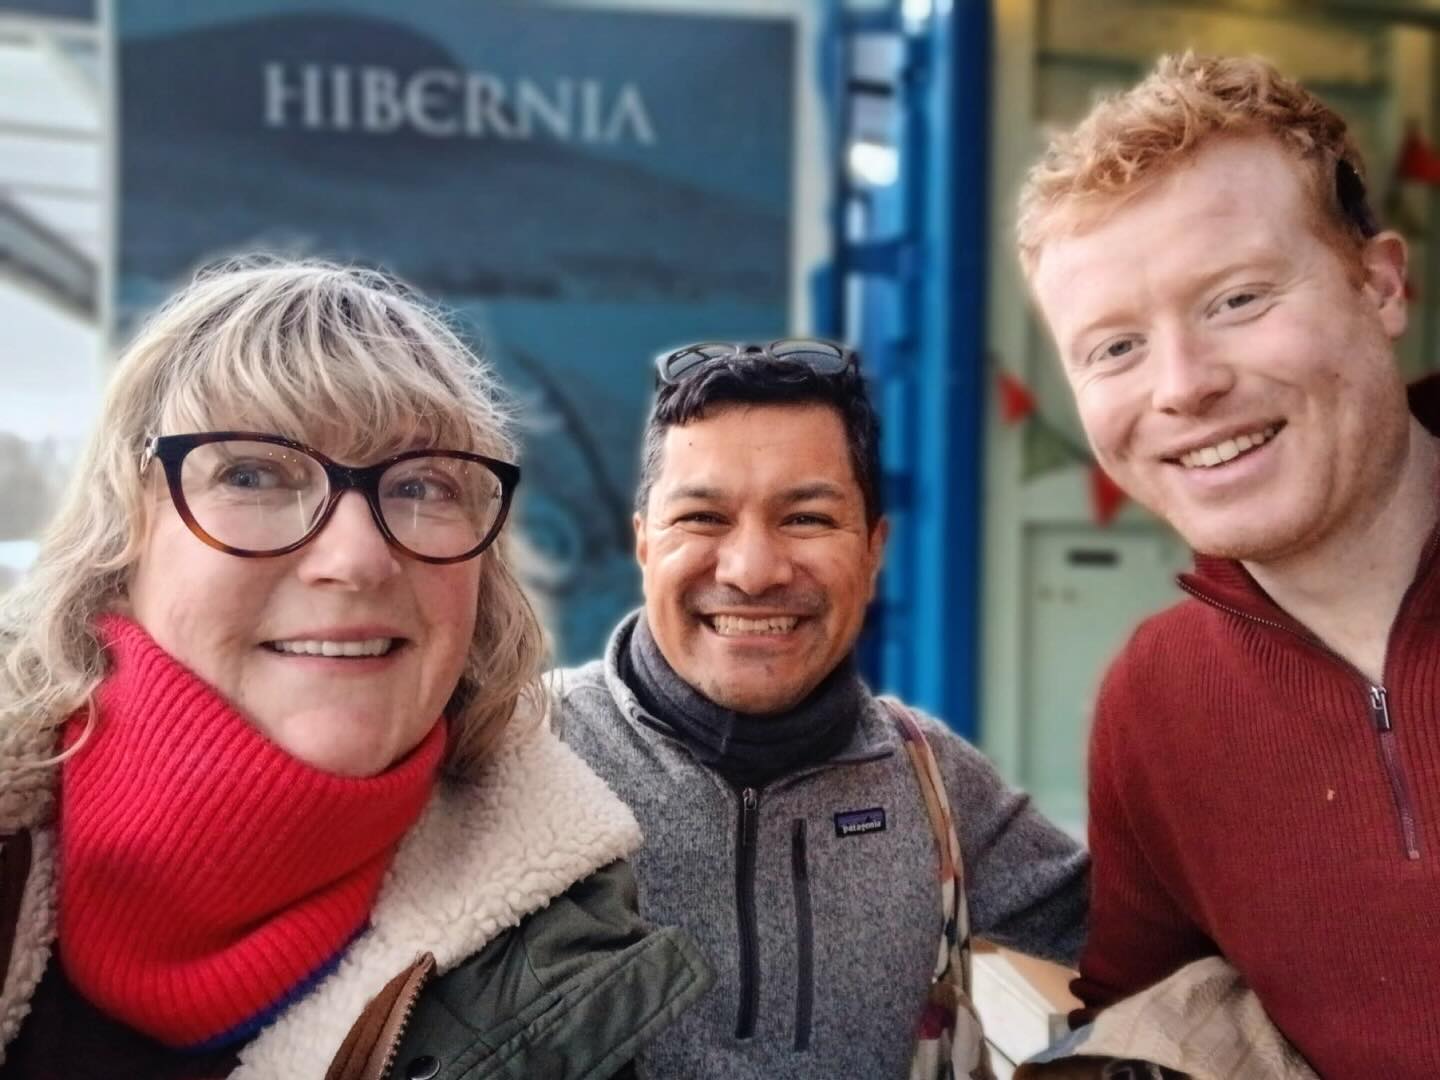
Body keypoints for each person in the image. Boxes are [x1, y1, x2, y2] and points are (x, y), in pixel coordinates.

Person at [0, 259, 711, 1079]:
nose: (359, 557)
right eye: (253, 473)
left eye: (424, 485)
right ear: (125, 525)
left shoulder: (565, 976)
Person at [1019, 53, 1440, 1078]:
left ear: (1380, 285)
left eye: (1237, 299)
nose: (1185, 386)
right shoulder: (1155, 702)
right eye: (1114, 349)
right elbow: (1147, 1027)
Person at [549, 340, 1089, 1078]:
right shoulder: (516, 755)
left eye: (805, 519)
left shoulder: (933, 783)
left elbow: (1156, 944)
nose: (752, 571)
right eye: (703, 517)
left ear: (874, 550)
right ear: (644, 544)